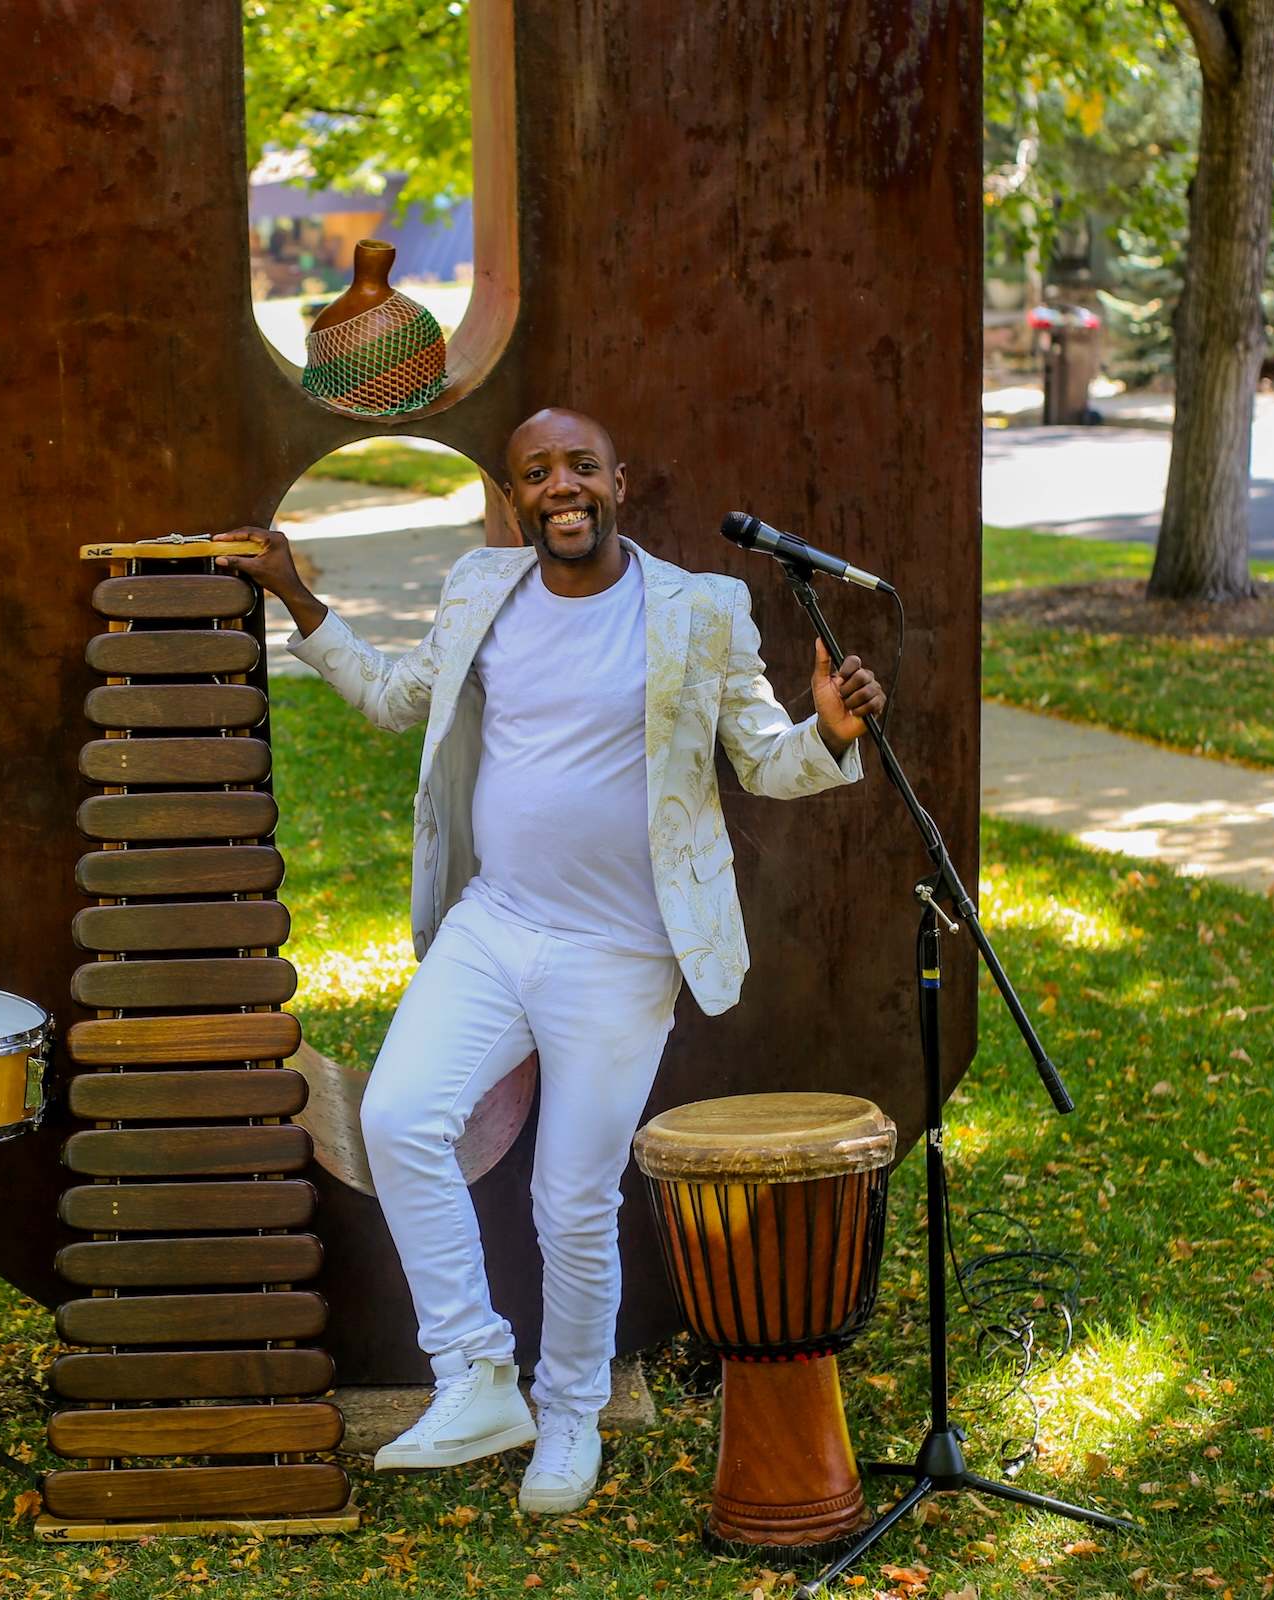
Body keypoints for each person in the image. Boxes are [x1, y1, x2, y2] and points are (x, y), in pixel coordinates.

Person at [216, 408, 885, 1515]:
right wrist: (294, 594)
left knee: (572, 1201)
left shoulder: (696, 608)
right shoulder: (482, 592)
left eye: (580, 466)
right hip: (495, 923)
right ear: (515, 497)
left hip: (622, 952)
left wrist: (829, 733)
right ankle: (476, 1372)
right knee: (396, 1119)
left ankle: (568, 1414)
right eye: (537, 474)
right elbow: (396, 700)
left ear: (619, 479)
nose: (560, 487)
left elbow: (764, 764)